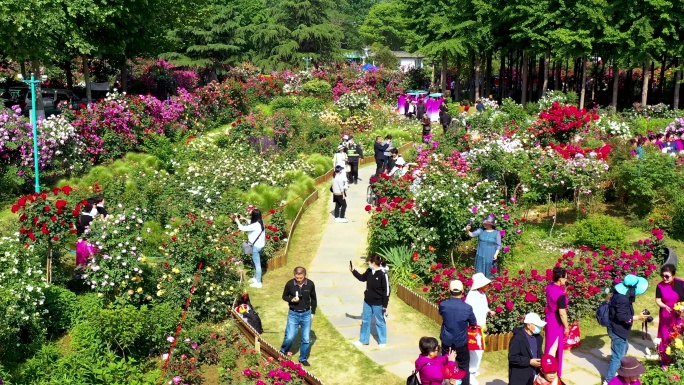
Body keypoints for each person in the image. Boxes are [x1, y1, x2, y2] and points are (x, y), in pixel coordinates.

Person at [604, 274, 650, 384]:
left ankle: (620, 373)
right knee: (618, 357)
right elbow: (621, 316)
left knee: (623, 349)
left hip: (617, 329)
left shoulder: (619, 293)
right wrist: (638, 317)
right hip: (617, 330)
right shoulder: (622, 299)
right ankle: (608, 380)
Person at [439, 280, 477, 385]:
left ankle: (446, 382)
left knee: (446, 363)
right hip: (461, 342)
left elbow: (441, 314)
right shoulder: (467, 308)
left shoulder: (443, 305)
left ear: (449, 290)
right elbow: (473, 322)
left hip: (447, 341)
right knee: (463, 365)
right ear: (463, 291)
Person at [350, 254, 390, 347]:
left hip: (378, 303)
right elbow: (362, 278)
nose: (368, 263)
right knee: (365, 320)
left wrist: (385, 305)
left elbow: (386, 291)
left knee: (380, 322)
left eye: (369, 261)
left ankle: (382, 341)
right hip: (367, 301)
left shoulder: (383, 275)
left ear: (373, 263)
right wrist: (353, 271)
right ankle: (363, 340)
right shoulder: (369, 271)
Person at [279, 267, 317, 366]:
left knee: (306, 339)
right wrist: (291, 299)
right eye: (297, 278)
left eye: (301, 278)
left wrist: (312, 312)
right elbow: (284, 296)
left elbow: (313, 299)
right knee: (290, 336)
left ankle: (303, 358)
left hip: (306, 314)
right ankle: (283, 351)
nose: (299, 280)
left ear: (305, 275)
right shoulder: (290, 284)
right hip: (293, 313)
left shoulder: (311, 284)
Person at [465, 273, 495, 377]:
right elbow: (468, 309)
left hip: (481, 325)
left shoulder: (482, 294)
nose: (487, 286)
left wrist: (489, 311)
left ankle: (473, 368)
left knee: (479, 348)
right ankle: (471, 369)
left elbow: (484, 306)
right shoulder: (472, 295)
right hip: (474, 325)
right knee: (476, 348)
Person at [544, 266, 569, 376]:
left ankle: (547, 367)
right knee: (553, 348)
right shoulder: (560, 296)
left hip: (549, 317)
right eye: (565, 279)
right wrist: (567, 327)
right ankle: (550, 371)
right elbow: (562, 313)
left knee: (548, 344)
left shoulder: (549, 287)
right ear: (560, 279)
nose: (566, 280)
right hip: (556, 321)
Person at [508, 313, 546, 385]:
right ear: (528, 325)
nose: (539, 328)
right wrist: (529, 361)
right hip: (520, 377)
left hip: (534, 374)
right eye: (537, 325)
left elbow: (539, 352)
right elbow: (512, 357)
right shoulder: (517, 339)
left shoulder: (538, 338)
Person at [655, 264, 684, 354]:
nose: (664, 278)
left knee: (678, 334)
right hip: (666, 313)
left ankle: (677, 355)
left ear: (673, 275)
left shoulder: (681, 283)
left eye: (667, 276)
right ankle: (664, 357)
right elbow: (658, 300)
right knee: (665, 335)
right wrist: (664, 306)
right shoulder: (660, 286)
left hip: (680, 313)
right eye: (662, 276)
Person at [235, 209, 266, 288]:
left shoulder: (255, 225)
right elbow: (252, 223)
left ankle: (258, 282)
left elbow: (242, 228)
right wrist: (244, 218)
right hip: (260, 245)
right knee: (256, 262)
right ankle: (255, 278)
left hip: (256, 246)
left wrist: (237, 221)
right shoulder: (261, 222)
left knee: (257, 264)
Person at [465, 214, 501, 279]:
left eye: (486, 223)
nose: (484, 224)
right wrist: (467, 230)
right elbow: (472, 235)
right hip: (480, 254)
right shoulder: (481, 230)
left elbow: (498, 245)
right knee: (479, 270)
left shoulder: (496, 233)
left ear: (490, 224)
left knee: (489, 269)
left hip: (490, 254)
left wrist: (496, 254)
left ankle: (489, 285)